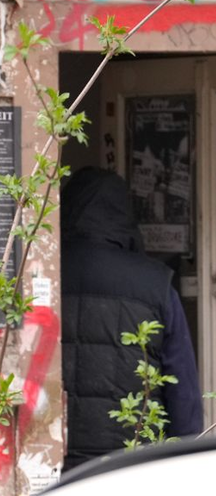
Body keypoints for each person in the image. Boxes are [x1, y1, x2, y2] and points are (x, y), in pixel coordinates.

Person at [61, 165, 203, 471]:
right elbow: (183, 394)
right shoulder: (156, 284)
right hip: (134, 462)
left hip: (55, 462)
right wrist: (188, 463)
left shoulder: (42, 276)